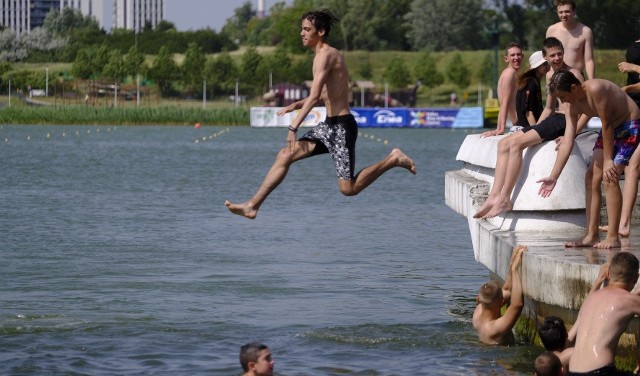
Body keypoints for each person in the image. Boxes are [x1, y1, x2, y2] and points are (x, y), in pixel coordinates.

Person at [225, 9, 416, 219]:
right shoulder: (319, 57)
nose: (302, 33)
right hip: (328, 126)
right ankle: (252, 206)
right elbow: (324, 95)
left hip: (342, 127)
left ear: (321, 31)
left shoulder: (326, 55)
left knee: (348, 189)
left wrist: (293, 127)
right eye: (302, 29)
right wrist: (296, 104)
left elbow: (315, 96)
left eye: (307, 29)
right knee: (285, 155)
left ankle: (393, 159)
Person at [473, 38, 585, 219]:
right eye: (552, 55)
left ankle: (505, 198)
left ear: (564, 52)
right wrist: (536, 127)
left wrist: (571, 134)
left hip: (565, 121)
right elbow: (548, 108)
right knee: (504, 144)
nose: (556, 58)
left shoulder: (574, 74)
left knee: (517, 145)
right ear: (545, 57)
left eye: (559, 54)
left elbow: (587, 109)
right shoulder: (550, 76)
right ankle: (494, 195)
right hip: (553, 118)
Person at [539, 71, 640, 249]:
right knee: (590, 176)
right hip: (610, 129)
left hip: (628, 123)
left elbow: (607, 123)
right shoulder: (572, 106)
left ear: (574, 87)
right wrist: (553, 176)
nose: (564, 102)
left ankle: (613, 236)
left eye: (564, 97)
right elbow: (568, 139)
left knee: (610, 177)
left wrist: (608, 160)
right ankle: (591, 235)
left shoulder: (595, 89)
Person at [566, 252, 640, 375]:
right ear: (636, 278)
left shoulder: (591, 298)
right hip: (600, 371)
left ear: (609, 274)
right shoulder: (629, 300)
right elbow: (624, 301)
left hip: (573, 371)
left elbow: (618, 301)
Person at [599, 37, 640, 237]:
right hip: (633, 112)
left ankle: (622, 224)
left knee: (632, 165)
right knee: (632, 166)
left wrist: (634, 70)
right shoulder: (634, 44)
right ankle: (621, 224)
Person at [473, 245, 526, 345]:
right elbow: (517, 305)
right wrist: (515, 269)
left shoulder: (477, 314)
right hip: (501, 359)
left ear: (478, 299)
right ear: (502, 302)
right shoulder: (494, 328)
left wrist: (512, 261)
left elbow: (507, 291)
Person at [481, 42, 523, 137]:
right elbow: (505, 103)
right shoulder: (510, 73)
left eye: (518, 54)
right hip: (521, 124)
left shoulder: (510, 73)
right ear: (506, 59)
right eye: (512, 55)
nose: (516, 58)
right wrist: (500, 129)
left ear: (522, 56)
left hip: (517, 124)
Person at [546, 0, 595, 80]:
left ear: (574, 12)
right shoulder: (551, 30)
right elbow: (547, 56)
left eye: (567, 11)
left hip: (576, 78)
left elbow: (589, 60)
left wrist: (591, 80)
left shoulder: (586, 31)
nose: (564, 15)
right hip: (555, 78)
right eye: (560, 12)